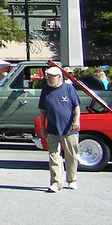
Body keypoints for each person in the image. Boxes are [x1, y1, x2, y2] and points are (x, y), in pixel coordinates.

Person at [38, 65, 81, 193]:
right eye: (48, 76)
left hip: (69, 129)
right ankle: (56, 182)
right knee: (53, 155)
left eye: (52, 77)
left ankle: (72, 179)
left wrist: (76, 121)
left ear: (59, 77)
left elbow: (76, 108)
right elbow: (42, 112)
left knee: (71, 156)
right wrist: (42, 128)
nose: (50, 79)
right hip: (52, 129)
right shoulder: (45, 91)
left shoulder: (69, 89)